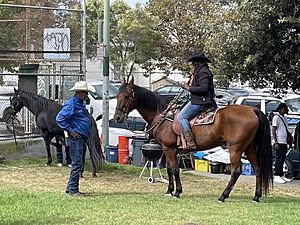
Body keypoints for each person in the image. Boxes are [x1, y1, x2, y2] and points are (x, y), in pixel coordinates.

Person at [56, 81, 95, 197]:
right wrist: (70, 130)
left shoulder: (79, 104)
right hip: (76, 138)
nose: (87, 96)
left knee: (78, 162)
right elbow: (60, 118)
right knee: (77, 163)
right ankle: (73, 189)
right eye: (86, 93)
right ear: (80, 93)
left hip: (80, 137)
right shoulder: (72, 104)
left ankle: (71, 187)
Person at [178, 52, 217, 150]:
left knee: (182, 116)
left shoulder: (203, 72)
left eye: (194, 62)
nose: (192, 64)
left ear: (198, 62)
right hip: (199, 99)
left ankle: (190, 141)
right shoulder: (199, 71)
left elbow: (203, 88)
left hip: (200, 100)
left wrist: (189, 88)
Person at [272, 103, 292, 184]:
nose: (286, 110)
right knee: (279, 158)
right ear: (280, 109)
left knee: (283, 158)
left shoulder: (284, 118)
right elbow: (273, 130)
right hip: (279, 141)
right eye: (284, 108)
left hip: (284, 141)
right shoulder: (276, 118)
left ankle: (281, 174)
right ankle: (277, 175)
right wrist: (276, 142)